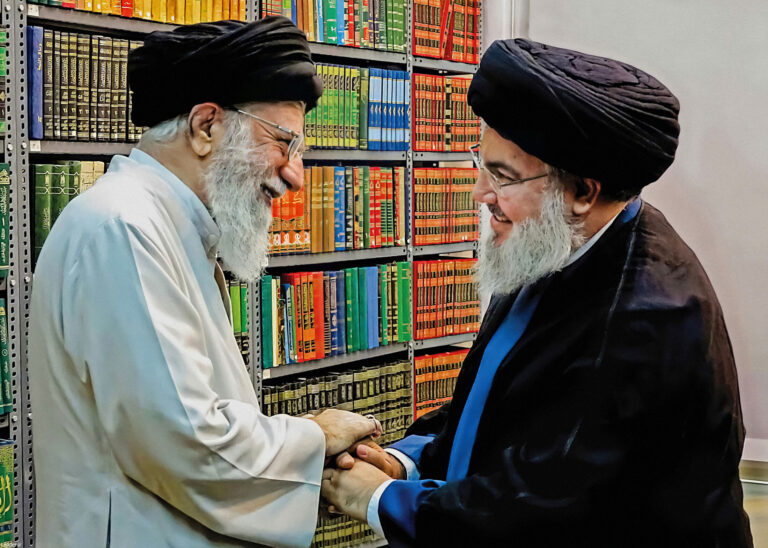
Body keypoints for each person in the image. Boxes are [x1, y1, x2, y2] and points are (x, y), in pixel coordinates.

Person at [321, 38, 754, 547]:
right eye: (482, 166)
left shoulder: (645, 320)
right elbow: (492, 405)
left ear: (582, 192)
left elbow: (541, 511)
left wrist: (378, 498)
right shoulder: (556, 242)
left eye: (502, 177)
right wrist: (402, 461)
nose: (481, 194)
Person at [28, 18, 380, 548]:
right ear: (206, 127)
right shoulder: (124, 228)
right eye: (282, 142)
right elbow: (185, 440)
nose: (295, 175)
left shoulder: (169, 228)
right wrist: (315, 438)